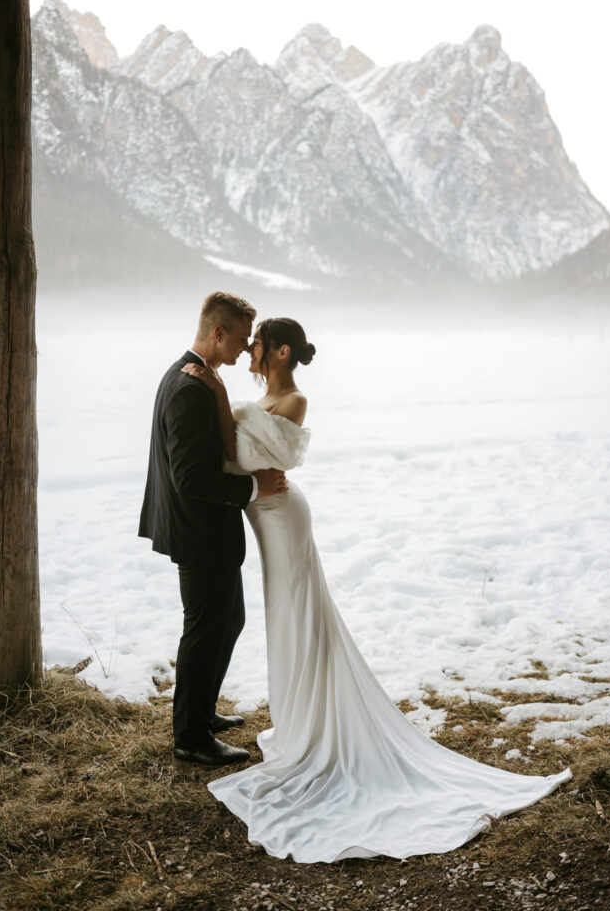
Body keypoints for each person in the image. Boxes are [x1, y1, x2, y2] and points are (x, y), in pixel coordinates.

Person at [181, 316, 572, 863]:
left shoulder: (294, 400)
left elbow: (246, 455)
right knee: (284, 619)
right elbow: (237, 451)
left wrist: (221, 399)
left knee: (300, 614)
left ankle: (316, 724)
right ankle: (298, 718)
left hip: (282, 517)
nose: (247, 349)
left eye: (257, 344)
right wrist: (225, 403)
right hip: (263, 514)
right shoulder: (260, 395)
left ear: (280, 350)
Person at [138, 292, 288, 768]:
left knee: (229, 619)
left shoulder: (199, 377)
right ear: (218, 332)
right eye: (243, 339)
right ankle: (191, 737)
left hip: (205, 530)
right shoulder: (187, 388)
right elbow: (190, 477)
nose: (247, 349)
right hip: (198, 531)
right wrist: (252, 486)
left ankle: (200, 714)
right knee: (204, 629)